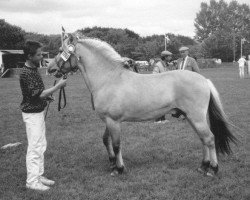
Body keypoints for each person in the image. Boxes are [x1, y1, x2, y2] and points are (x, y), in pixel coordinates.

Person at [19, 41, 67, 191]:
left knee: (41, 145)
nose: (41, 57)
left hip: (37, 112)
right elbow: (40, 94)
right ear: (29, 56)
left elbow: (38, 94)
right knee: (34, 147)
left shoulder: (33, 70)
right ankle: (32, 181)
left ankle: (38, 176)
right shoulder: (26, 73)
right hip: (32, 115)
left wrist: (47, 97)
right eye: (39, 54)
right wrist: (58, 86)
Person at [152, 50, 173, 123]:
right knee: (158, 105)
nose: (170, 57)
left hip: (165, 87)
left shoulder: (166, 64)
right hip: (159, 87)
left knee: (164, 104)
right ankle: (157, 120)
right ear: (165, 57)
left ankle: (163, 119)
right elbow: (154, 75)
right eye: (169, 56)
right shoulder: (158, 65)